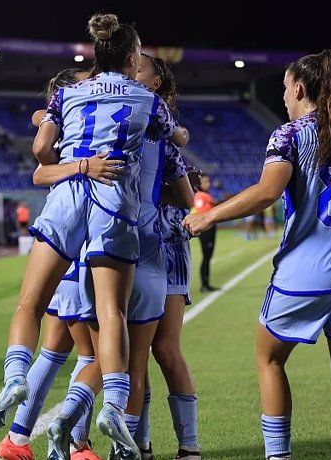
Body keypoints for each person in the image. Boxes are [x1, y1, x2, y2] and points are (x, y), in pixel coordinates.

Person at [0, 14, 188, 460]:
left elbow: (39, 152)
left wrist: (61, 142)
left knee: (30, 305)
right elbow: (177, 140)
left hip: (68, 196)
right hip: (115, 203)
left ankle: (15, 377)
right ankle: (112, 405)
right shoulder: (149, 101)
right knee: (112, 312)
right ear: (132, 58)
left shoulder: (68, 94)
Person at [183, 49, 331, 460]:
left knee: (269, 359)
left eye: (285, 88)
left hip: (305, 272)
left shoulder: (289, 134)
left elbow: (267, 192)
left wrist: (208, 217)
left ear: (299, 89)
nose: (284, 97)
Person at [0, 68, 103, 460]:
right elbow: (41, 166)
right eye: (87, 79)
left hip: (68, 242)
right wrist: (82, 164)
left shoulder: (68, 123)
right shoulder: (74, 126)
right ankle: (76, 443)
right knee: (96, 354)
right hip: (79, 245)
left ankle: (18, 439)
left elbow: (42, 151)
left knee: (55, 348)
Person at [136, 164, 203, 460]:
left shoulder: (168, 147)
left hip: (170, 246)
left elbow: (188, 187)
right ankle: (140, 443)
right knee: (135, 354)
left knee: (164, 349)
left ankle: (189, 445)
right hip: (138, 247)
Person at [191, 174, 218, 292]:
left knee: (208, 256)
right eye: (205, 182)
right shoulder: (201, 196)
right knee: (206, 257)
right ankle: (204, 284)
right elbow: (201, 210)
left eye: (208, 181)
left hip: (210, 228)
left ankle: (206, 283)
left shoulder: (205, 195)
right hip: (207, 229)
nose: (208, 184)